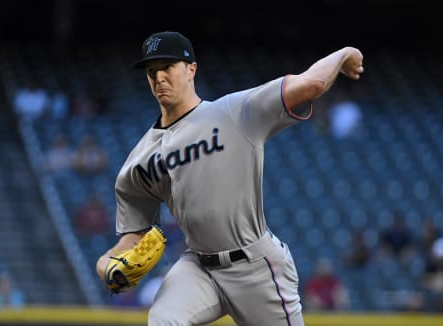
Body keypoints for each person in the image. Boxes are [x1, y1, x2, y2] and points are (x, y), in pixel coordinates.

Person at [96, 31, 364, 325]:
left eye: (168, 67)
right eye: (152, 71)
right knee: (162, 319)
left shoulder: (234, 112)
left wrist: (344, 53)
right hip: (198, 267)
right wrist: (106, 265)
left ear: (191, 69)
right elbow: (132, 237)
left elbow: (311, 83)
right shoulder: (139, 161)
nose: (159, 77)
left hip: (256, 267)